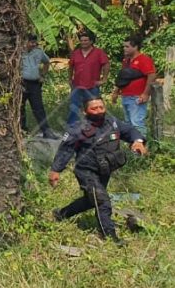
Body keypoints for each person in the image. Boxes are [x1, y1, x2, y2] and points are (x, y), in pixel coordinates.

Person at [49, 96, 147, 243]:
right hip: (86, 171)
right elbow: (65, 150)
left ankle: (61, 214)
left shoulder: (112, 122)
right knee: (102, 200)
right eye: (94, 108)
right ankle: (109, 236)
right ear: (85, 111)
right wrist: (55, 170)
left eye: (101, 107)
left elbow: (129, 130)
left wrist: (137, 141)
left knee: (91, 200)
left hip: (104, 170)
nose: (99, 111)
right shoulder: (78, 129)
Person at [110, 35, 156, 137]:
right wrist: (116, 92)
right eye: (124, 46)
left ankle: (140, 144)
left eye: (127, 46)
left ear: (135, 47)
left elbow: (151, 75)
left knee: (137, 123)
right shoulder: (126, 61)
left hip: (137, 96)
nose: (124, 49)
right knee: (128, 123)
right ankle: (131, 143)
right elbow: (122, 77)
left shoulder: (144, 59)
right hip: (125, 96)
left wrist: (145, 93)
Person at [66, 30, 109, 127]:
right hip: (77, 86)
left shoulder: (98, 52)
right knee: (74, 108)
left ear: (91, 41)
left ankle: (95, 127)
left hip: (92, 86)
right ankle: (72, 128)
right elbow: (71, 66)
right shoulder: (76, 53)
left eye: (85, 40)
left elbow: (106, 64)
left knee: (94, 108)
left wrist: (104, 79)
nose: (83, 42)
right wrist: (69, 79)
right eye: (81, 41)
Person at [21, 33, 54, 137]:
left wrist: (42, 75)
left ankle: (46, 131)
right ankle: (22, 130)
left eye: (35, 42)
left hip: (35, 84)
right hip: (21, 83)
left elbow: (47, 62)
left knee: (38, 108)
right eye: (31, 42)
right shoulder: (18, 52)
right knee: (20, 107)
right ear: (25, 42)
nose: (34, 44)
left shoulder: (39, 52)